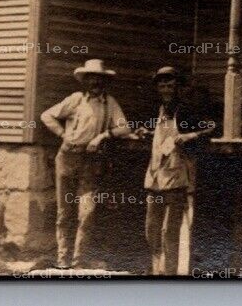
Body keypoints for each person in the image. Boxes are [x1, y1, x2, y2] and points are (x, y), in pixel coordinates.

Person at [40, 58, 135, 270]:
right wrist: (63, 134)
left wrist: (103, 136)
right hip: (67, 157)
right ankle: (63, 259)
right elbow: (47, 116)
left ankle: (78, 260)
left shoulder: (109, 103)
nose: (95, 83)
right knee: (65, 211)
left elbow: (125, 128)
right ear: (85, 80)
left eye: (99, 79)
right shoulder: (76, 100)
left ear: (104, 81)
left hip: (91, 161)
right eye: (91, 78)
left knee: (87, 212)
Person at [143, 66, 215, 275]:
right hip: (155, 177)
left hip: (175, 178)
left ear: (178, 88)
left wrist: (190, 136)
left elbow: (211, 127)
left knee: (169, 231)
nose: (166, 89)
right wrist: (147, 133)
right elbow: (162, 136)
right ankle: (157, 269)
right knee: (151, 229)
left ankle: (170, 273)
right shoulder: (159, 110)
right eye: (162, 85)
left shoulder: (185, 110)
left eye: (170, 85)